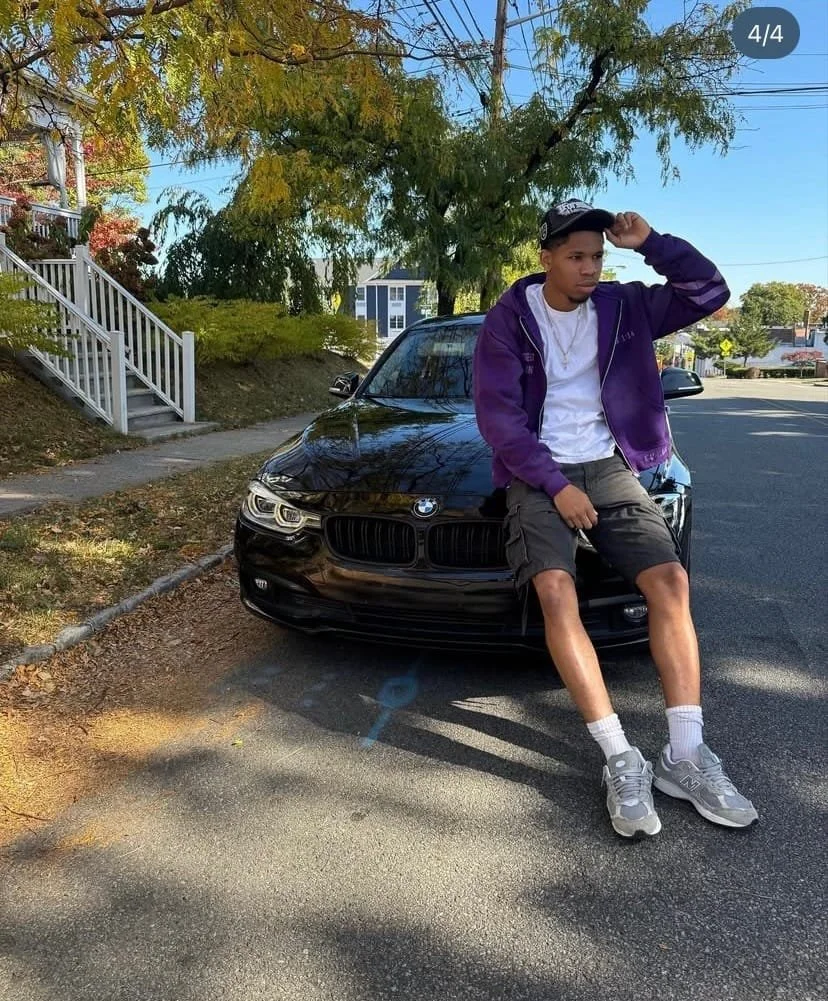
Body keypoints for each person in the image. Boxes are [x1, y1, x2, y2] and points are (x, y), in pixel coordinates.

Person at [472, 199, 757, 838]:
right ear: (546, 257)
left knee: (671, 583)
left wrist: (651, 243)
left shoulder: (625, 306)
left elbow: (709, 291)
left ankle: (684, 756)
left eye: (597, 256)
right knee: (556, 591)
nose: (589, 268)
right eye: (575, 256)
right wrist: (554, 486)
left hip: (609, 465)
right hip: (537, 471)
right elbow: (499, 419)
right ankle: (620, 758)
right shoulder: (508, 319)